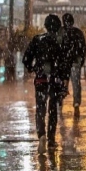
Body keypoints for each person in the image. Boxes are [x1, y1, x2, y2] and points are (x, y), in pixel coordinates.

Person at [22, 14, 71, 144]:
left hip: (40, 79)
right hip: (55, 80)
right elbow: (65, 65)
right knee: (53, 108)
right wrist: (64, 81)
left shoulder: (37, 39)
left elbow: (26, 58)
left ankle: (41, 134)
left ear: (45, 26)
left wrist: (32, 68)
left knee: (40, 107)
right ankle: (51, 138)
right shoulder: (61, 42)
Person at [62, 12, 86, 111]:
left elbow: (57, 47)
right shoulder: (78, 32)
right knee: (76, 82)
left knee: (63, 81)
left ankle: (61, 98)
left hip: (64, 61)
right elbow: (83, 48)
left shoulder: (61, 32)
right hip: (75, 60)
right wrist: (81, 60)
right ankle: (76, 102)